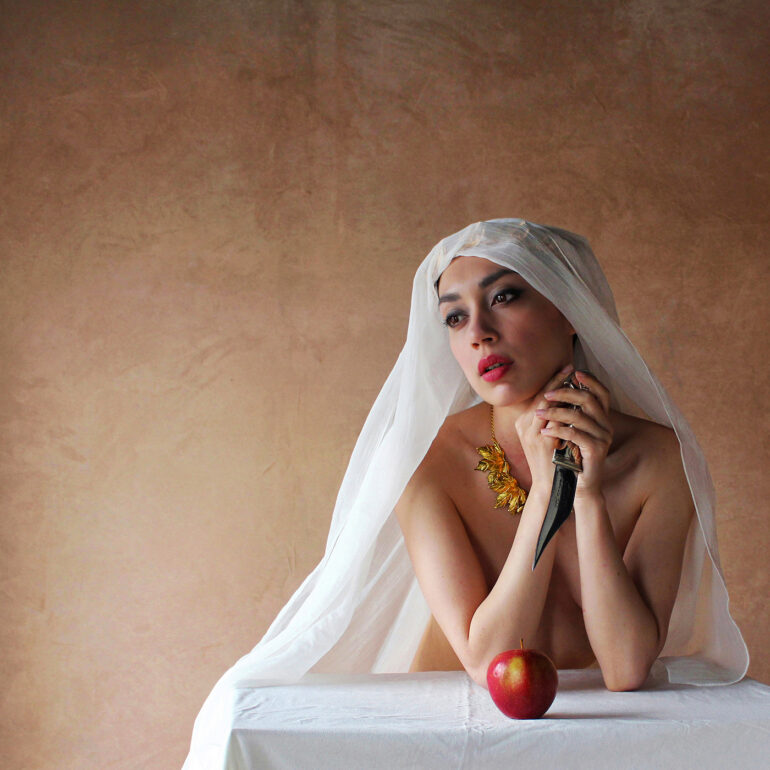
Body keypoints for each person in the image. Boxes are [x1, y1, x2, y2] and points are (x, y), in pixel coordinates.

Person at [183, 219, 748, 769]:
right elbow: (488, 660)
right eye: (454, 316)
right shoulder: (426, 463)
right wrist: (549, 490)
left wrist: (588, 495)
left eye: (503, 297)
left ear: (568, 311)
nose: (478, 331)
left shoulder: (657, 457)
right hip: (453, 737)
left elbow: (625, 669)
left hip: (608, 740)